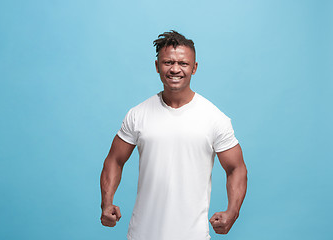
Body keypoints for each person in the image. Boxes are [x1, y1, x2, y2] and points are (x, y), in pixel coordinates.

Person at [100, 30, 248, 240]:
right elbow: (114, 160)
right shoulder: (137, 114)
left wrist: (232, 212)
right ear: (157, 66)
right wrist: (106, 203)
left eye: (183, 64)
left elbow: (237, 168)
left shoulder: (214, 118)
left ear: (194, 68)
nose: (175, 69)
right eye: (168, 62)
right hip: (142, 234)